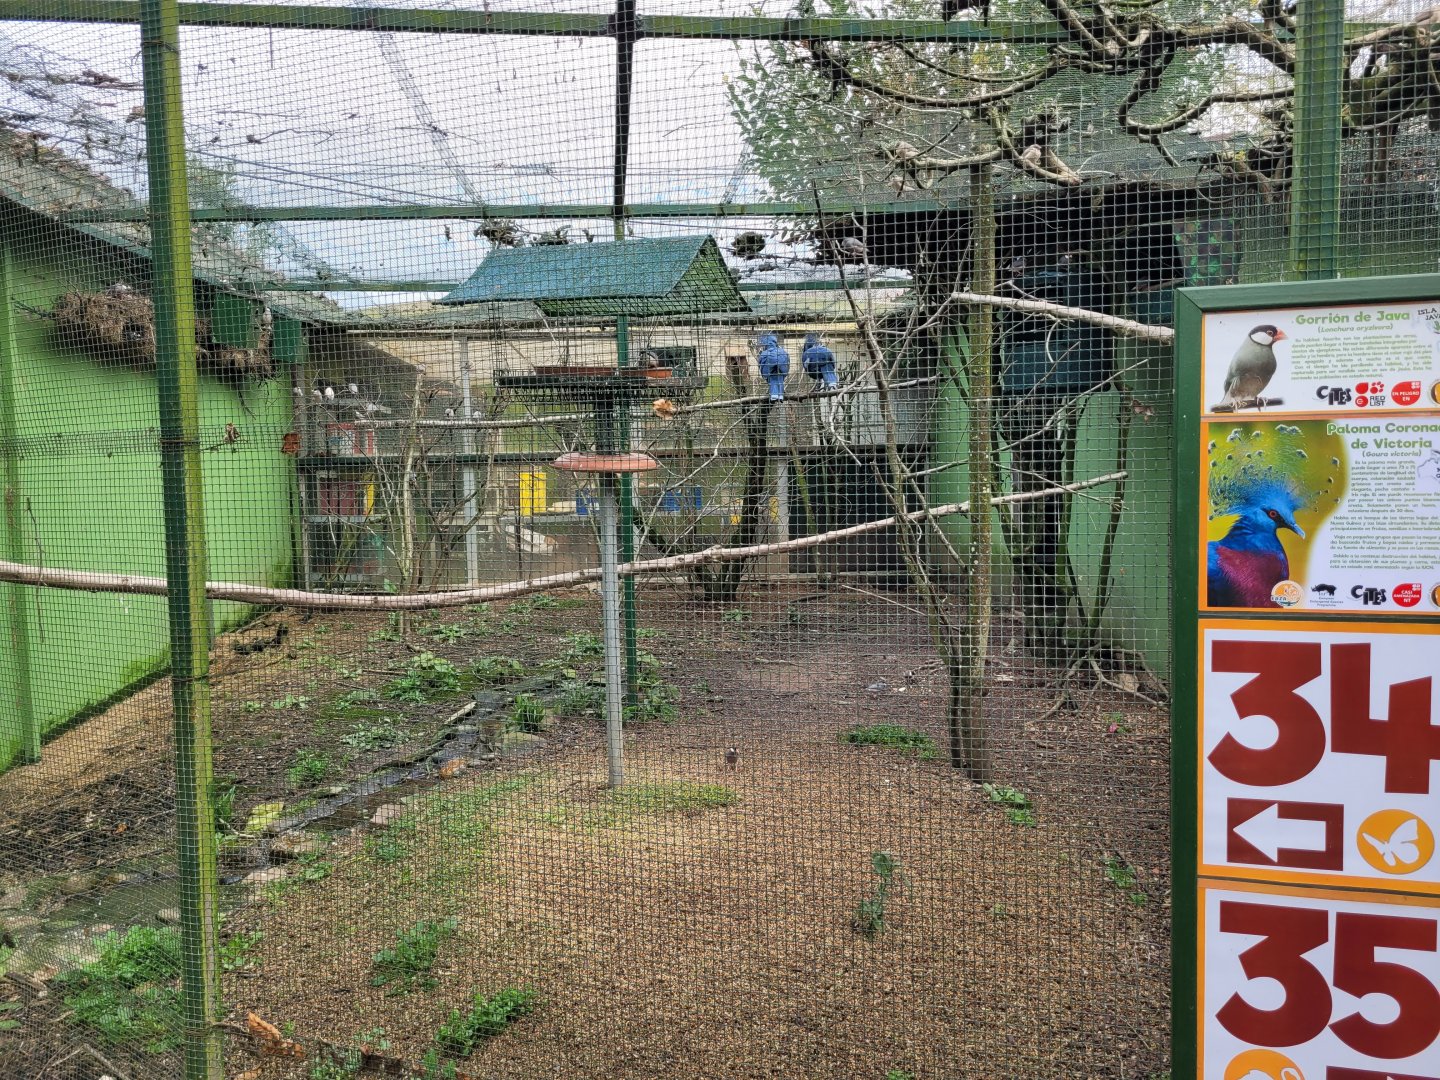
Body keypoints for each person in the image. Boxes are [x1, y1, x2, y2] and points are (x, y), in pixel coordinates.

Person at [756, 332, 790, 403]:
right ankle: (779, 394)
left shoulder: (763, 354)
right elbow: (785, 369)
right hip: (780, 374)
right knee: (778, 379)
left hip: (770, 375)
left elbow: (764, 372)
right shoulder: (783, 352)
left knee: (773, 380)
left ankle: (774, 395)